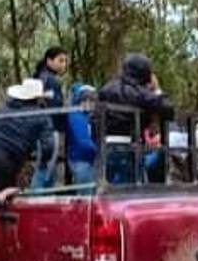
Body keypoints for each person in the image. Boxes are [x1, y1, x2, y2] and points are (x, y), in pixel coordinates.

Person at [98, 54, 174, 183]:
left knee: (108, 187)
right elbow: (167, 108)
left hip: (105, 145)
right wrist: (157, 90)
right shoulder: (138, 93)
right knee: (129, 189)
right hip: (128, 146)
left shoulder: (107, 89)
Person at [29, 48, 69, 190]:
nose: (63, 64)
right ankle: (34, 200)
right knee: (45, 169)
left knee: (48, 169)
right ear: (49, 61)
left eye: (65, 61)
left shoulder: (40, 78)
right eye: (60, 60)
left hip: (39, 129)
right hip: (49, 129)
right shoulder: (49, 80)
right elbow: (53, 106)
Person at [66, 84, 98, 187]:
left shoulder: (86, 116)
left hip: (85, 159)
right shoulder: (76, 116)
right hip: (81, 160)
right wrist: (98, 150)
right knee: (86, 194)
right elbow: (83, 142)